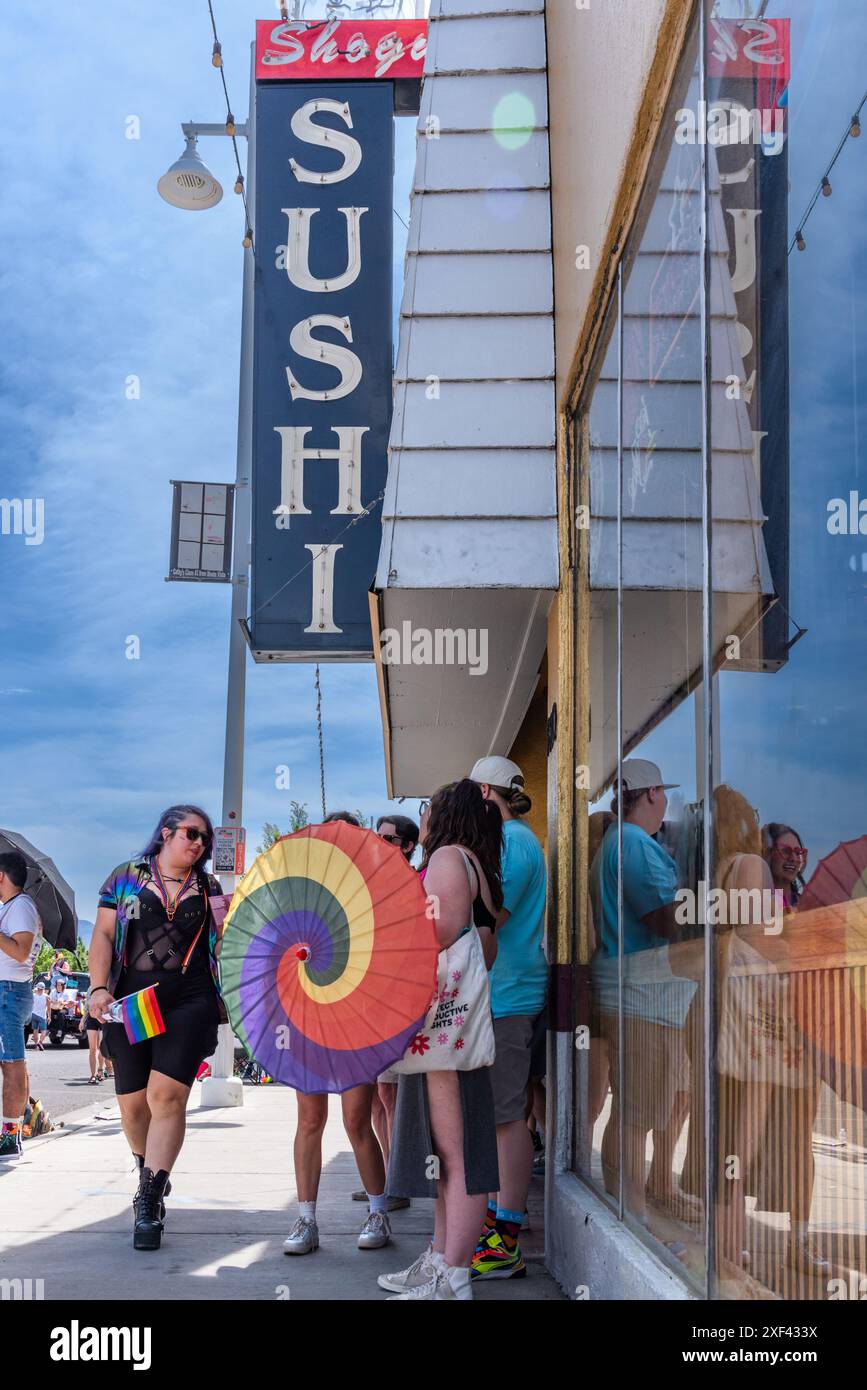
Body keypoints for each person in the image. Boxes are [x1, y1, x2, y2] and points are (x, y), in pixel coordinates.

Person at [379, 779, 502, 1300]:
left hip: (446, 1032)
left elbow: (441, 931)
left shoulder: (449, 857)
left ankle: (453, 1275)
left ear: (444, 813)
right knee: (447, 1155)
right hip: (454, 1028)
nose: (421, 815)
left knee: (456, 1156)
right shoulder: (476, 864)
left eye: (426, 807)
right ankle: (439, 1260)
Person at [89, 805, 225, 1250]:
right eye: (191, 833)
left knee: (166, 1095)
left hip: (189, 998)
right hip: (131, 1000)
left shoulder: (209, 888)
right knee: (132, 1105)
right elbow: (105, 936)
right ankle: (149, 1165)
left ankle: (148, 1199)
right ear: (166, 833)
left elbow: (224, 943)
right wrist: (96, 989)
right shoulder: (126, 877)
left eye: (205, 838)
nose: (199, 843)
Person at [589, 759, 696, 1229]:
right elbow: (662, 919)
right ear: (651, 793)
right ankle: (631, 1212)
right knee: (636, 1115)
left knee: (631, 1111)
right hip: (643, 999)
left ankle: (626, 1202)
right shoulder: (632, 844)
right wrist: (705, 902)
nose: (667, 801)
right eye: (664, 793)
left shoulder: (620, 843)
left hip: (635, 996)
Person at [283, 815, 393, 1258]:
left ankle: (379, 1211)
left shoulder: (372, 895)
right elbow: (280, 953)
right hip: (308, 1019)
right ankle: (307, 1219)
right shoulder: (301, 893)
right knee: (310, 1121)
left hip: (356, 1021)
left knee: (355, 1119)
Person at [466, 756, 547, 1282]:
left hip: (510, 997)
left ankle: (506, 1242)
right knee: (499, 1118)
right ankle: (497, 1228)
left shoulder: (514, 843)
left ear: (484, 793)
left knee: (506, 1119)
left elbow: (493, 918)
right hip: (500, 996)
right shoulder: (512, 840)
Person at [349, 812, 421, 1212]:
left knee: (389, 1097)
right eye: (378, 837)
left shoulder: (412, 884)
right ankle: (384, 1178)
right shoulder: (371, 883)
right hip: (367, 1006)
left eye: (389, 839)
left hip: (394, 1007)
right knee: (376, 1099)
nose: (380, 843)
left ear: (408, 847)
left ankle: (397, 1185)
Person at [0, 851, 43, 1159]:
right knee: (11, 1063)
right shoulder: (13, 908)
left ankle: (10, 1137)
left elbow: (20, 951)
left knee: (13, 1064)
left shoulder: (21, 907)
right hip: (10, 991)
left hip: (9, 992)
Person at [79, 1007, 103, 1084]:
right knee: (92, 1049)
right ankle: (93, 1075)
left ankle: (100, 1069)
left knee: (102, 1047)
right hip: (91, 1019)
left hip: (104, 1018)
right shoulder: (90, 994)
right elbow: (87, 1009)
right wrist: (82, 1021)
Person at [30, 980, 48, 1050]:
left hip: (33, 1014)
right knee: (44, 1031)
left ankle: (36, 1045)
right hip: (42, 1016)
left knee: (35, 1030)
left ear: (37, 988)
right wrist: (49, 1016)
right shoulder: (46, 996)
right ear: (43, 989)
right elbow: (49, 1007)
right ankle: (40, 1042)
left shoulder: (33, 995)